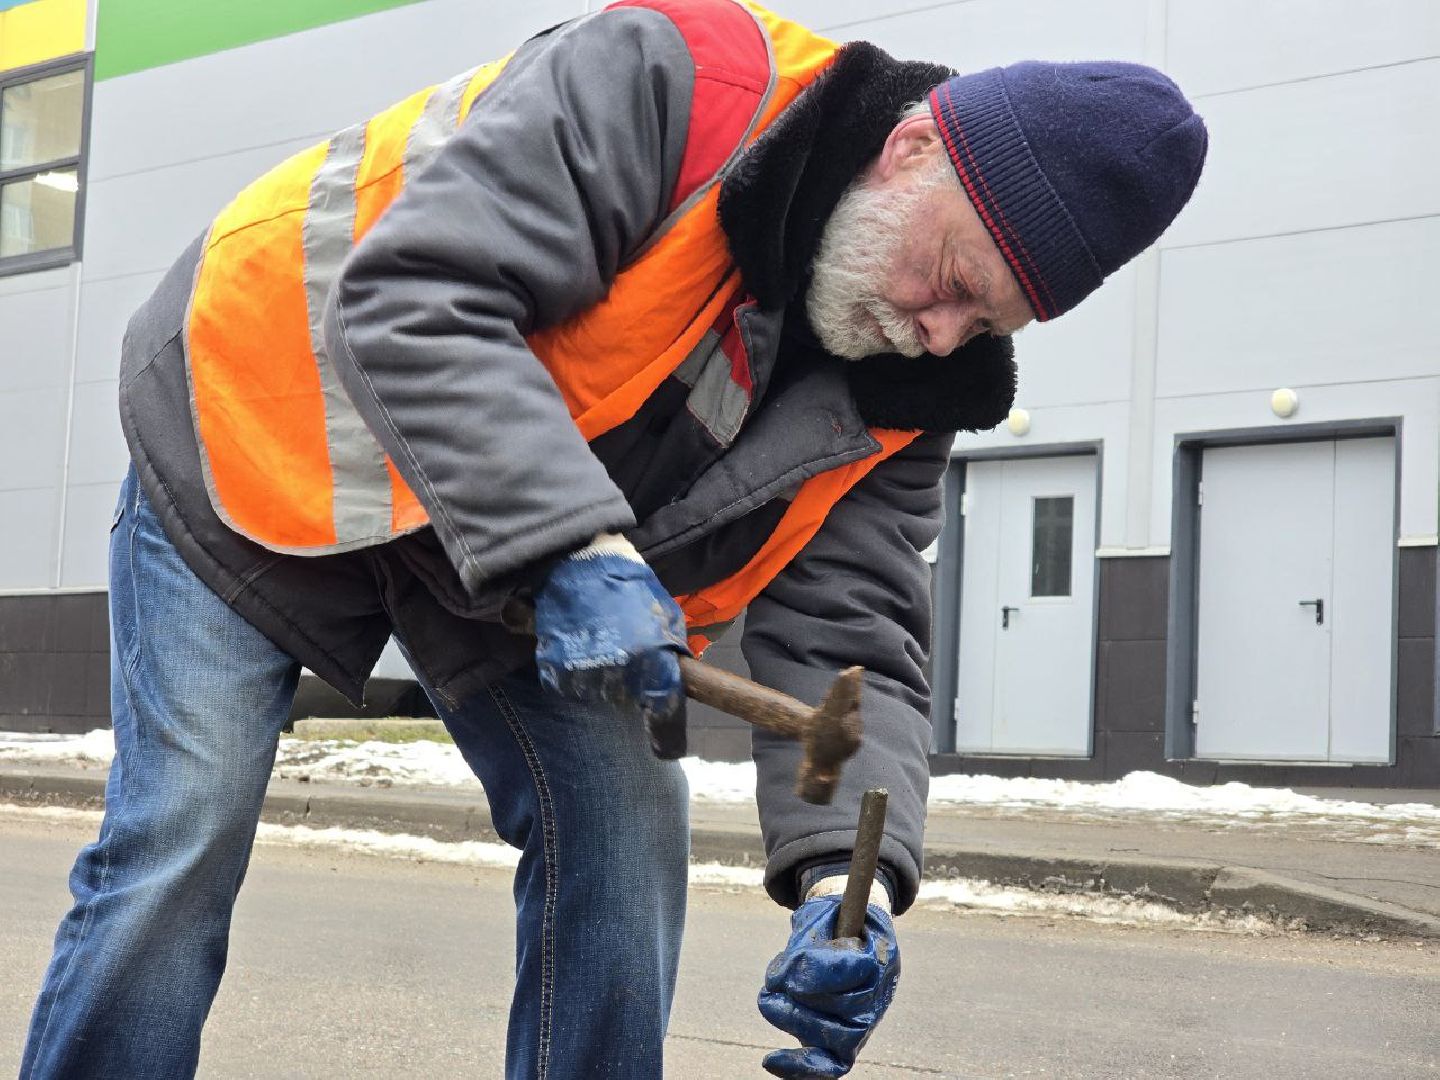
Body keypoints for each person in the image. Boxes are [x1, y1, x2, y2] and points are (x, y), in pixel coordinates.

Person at [20, 0, 1206, 1076]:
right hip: (264, 410)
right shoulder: (675, 81)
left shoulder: (912, 395)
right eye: (951, 277)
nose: (940, 334)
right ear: (907, 150)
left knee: (629, 838)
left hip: (498, 543)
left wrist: (851, 888)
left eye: (984, 319)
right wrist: (580, 550)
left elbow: (850, 644)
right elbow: (417, 295)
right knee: (184, 831)